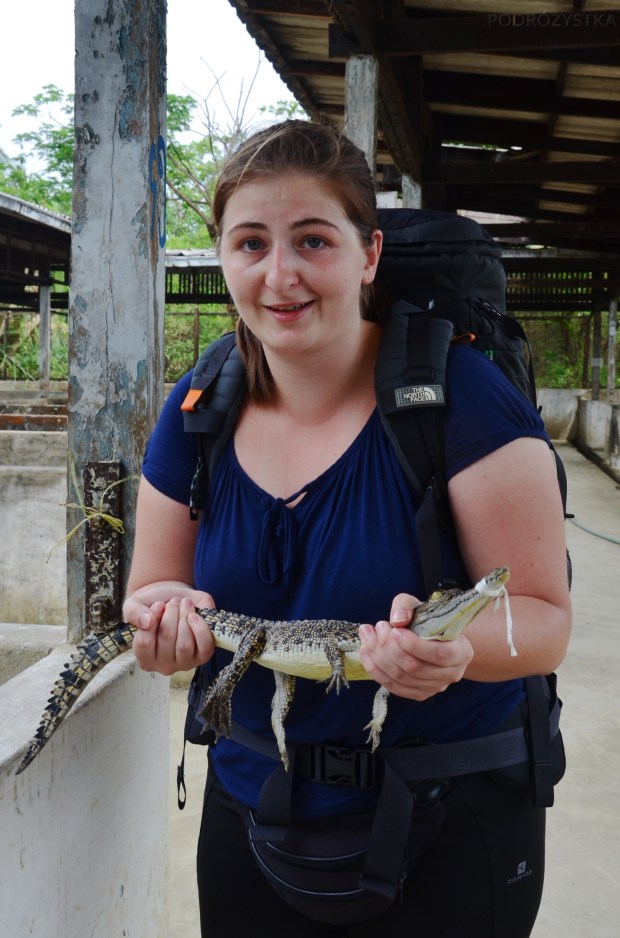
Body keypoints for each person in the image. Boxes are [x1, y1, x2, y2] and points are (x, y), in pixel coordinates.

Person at [122, 119, 571, 937]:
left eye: (313, 241)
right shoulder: (197, 406)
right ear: (223, 256)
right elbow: (152, 587)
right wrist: (163, 628)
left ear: (367, 254)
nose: (280, 274)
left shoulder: (461, 399)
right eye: (250, 242)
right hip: (255, 802)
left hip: (450, 816)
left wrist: (456, 652)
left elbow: (541, 617)